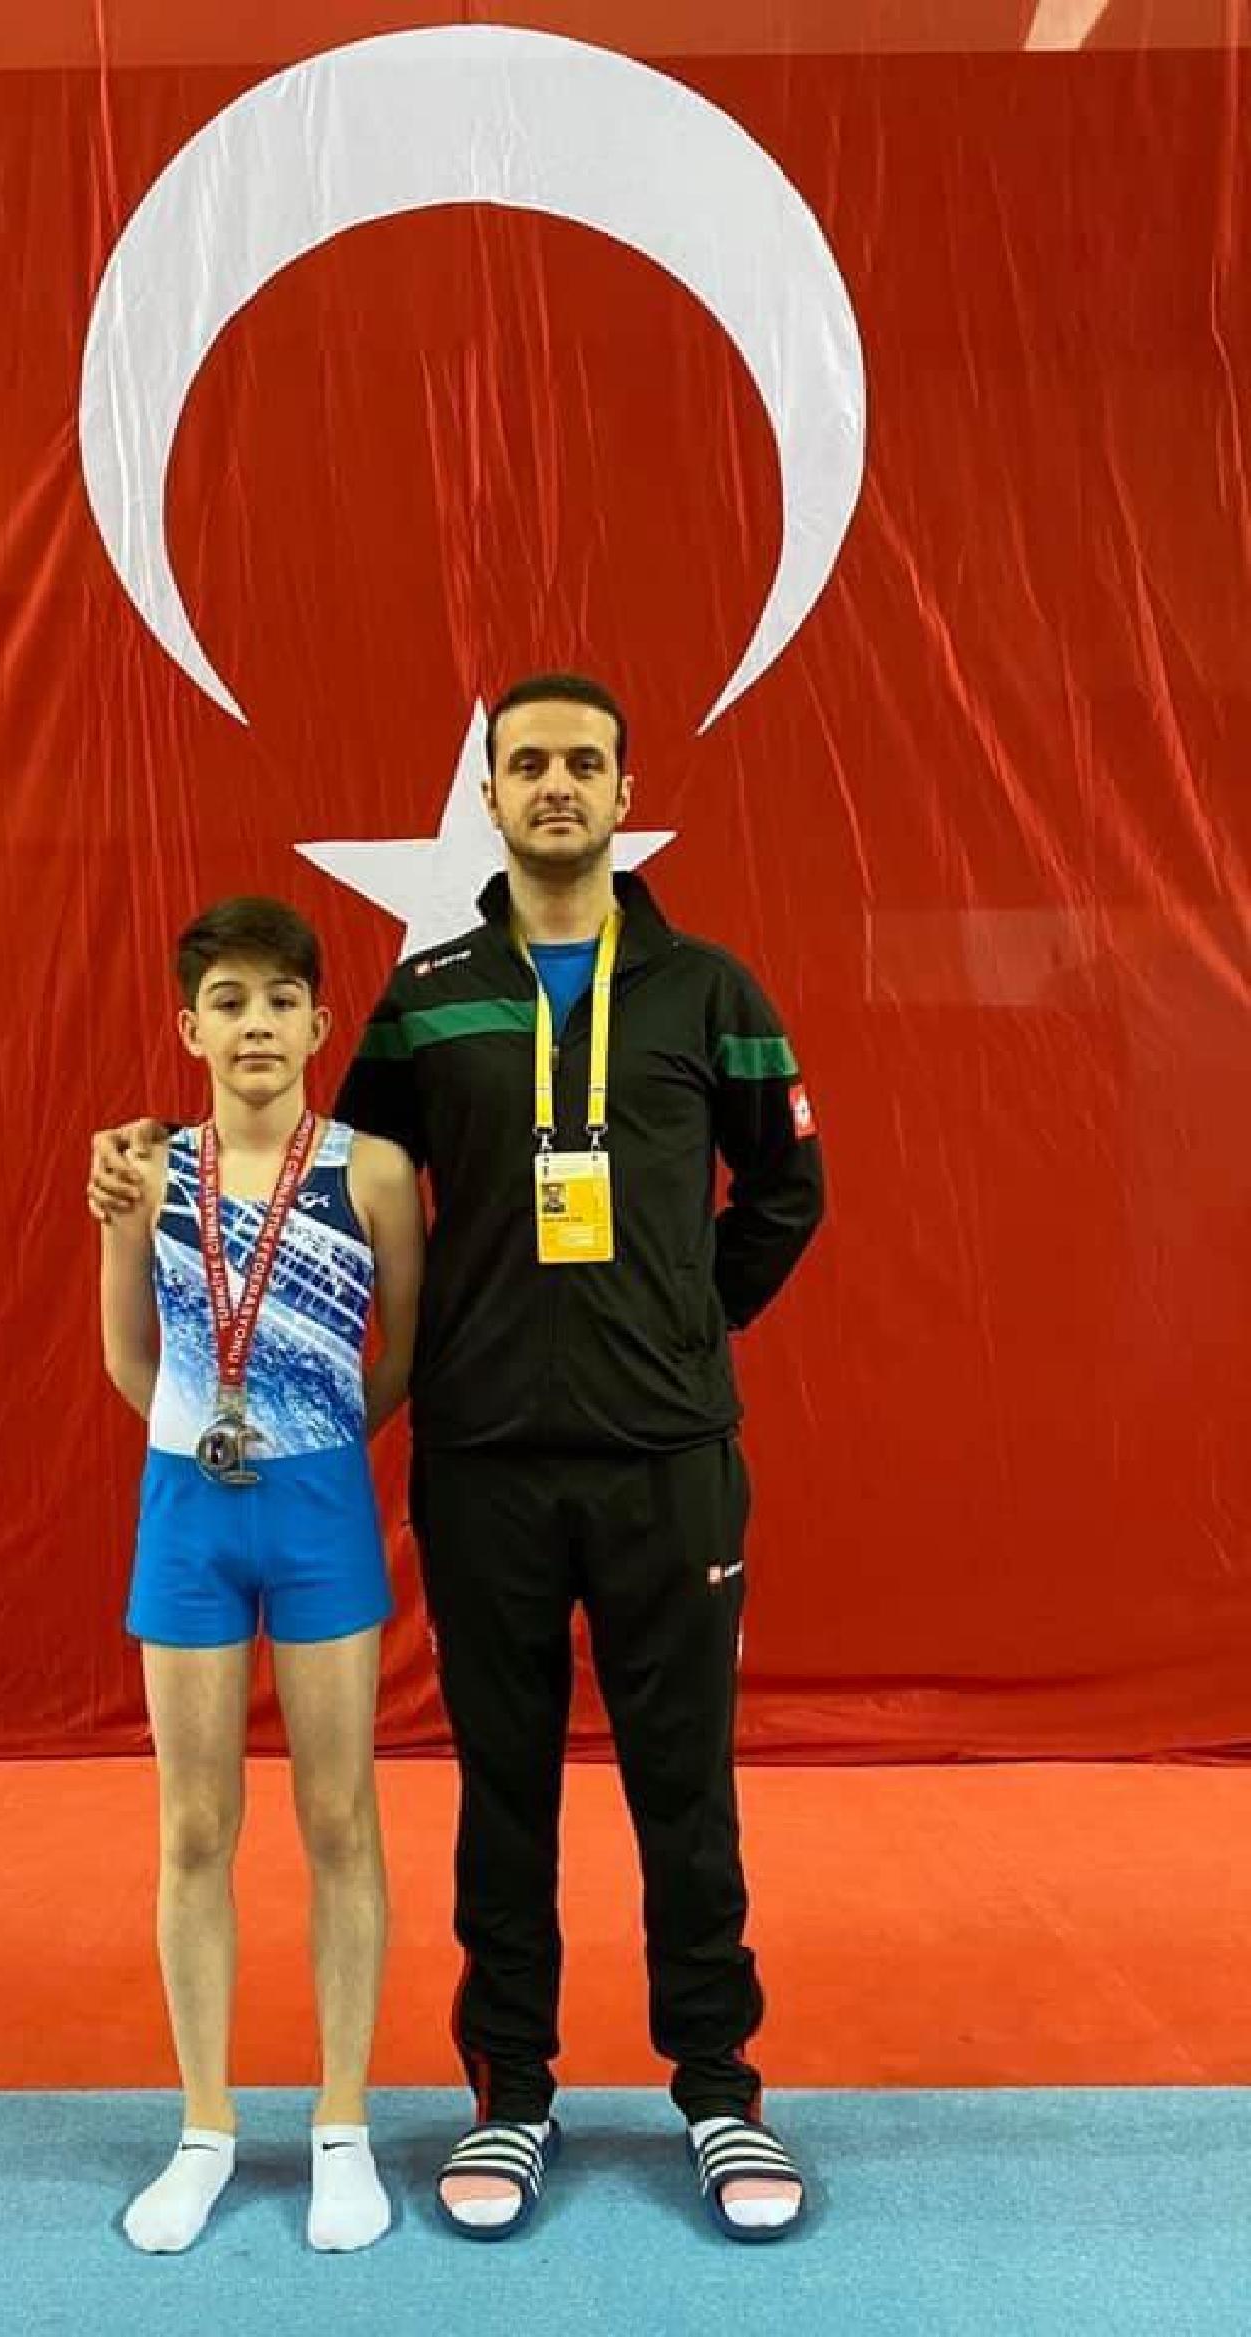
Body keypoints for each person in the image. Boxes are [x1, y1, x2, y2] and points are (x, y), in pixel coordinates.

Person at [89, 676, 823, 2245]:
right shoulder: (429, 997)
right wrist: (144, 1161)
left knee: (685, 1788)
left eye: (583, 763)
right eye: (527, 763)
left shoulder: (710, 990)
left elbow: (787, 1189)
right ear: (490, 794)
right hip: (483, 1462)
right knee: (503, 1791)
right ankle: (512, 2093)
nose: (556, 784)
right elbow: (304, 1165)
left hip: (669, 1459)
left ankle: (718, 2088)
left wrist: (687, 1323)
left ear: (625, 792)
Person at [97, 894, 424, 2256]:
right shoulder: (142, 1172)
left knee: (339, 1818)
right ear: (190, 1027)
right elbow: (126, 1354)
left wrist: (316, 1442)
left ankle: (343, 2124)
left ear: (319, 1022)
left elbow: (406, 1350)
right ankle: (206, 2126)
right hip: (187, 1507)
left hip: (321, 1508)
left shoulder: (373, 1172)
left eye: (280, 1001)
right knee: (193, 1827)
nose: (255, 1025)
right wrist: (207, 1433)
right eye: (226, 1002)